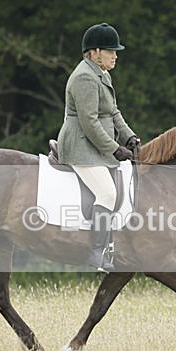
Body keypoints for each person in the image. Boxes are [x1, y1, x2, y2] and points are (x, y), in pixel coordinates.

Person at [56, 22, 141, 272]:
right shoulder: (84, 77)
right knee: (107, 193)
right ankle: (96, 253)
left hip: (95, 144)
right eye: (110, 51)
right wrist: (114, 148)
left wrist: (130, 136)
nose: (115, 55)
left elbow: (113, 112)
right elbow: (89, 122)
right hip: (80, 146)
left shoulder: (101, 74)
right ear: (94, 53)